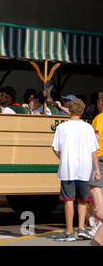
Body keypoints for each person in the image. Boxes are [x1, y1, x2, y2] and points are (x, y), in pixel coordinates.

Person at [51, 98, 100, 242]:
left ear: (69, 110)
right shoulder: (88, 127)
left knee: (68, 200)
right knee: (83, 200)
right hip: (85, 169)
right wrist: (96, 169)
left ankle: (69, 232)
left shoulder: (62, 127)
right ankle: (82, 229)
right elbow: (93, 151)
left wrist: (63, 158)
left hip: (67, 169)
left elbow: (55, 148)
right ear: (82, 111)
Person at [89, 92, 103, 237]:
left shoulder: (99, 118)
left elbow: (95, 141)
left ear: (100, 103)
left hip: (99, 156)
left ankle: (100, 223)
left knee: (96, 188)